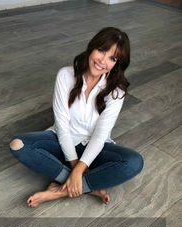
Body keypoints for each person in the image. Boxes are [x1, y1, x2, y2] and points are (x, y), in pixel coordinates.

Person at [10, 26, 144, 208]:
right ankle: (88, 185)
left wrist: (80, 168)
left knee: (134, 163)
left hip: (96, 149)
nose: (102, 61)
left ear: (116, 65)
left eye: (112, 58)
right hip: (62, 142)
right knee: (18, 145)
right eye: (101, 50)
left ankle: (61, 191)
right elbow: (62, 125)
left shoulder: (116, 91)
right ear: (92, 47)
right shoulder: (65, 75)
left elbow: (100, 135)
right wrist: (75, 167)